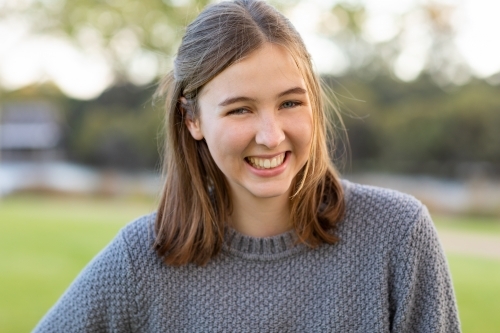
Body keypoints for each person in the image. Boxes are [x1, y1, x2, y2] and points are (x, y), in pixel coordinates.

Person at [33, 0, 461, 332]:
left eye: (290, 102)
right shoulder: (141, 261)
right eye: (240, 110)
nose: (271, 136)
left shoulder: (397, 236)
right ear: (193, 120)